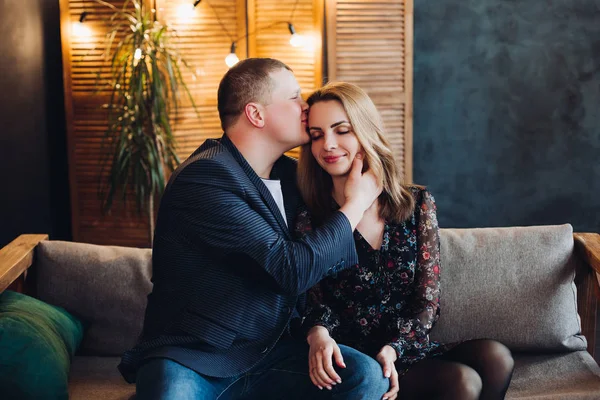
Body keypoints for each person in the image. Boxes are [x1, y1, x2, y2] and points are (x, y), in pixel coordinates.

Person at [118, 59, 390, 400]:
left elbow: (331, 258)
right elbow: (290, 269)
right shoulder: (204, 178)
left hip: (272, 352)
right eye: (294, 97)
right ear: (256, 114)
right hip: (197, 358)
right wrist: (355, 203)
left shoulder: (293, 177)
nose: (305, 106)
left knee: (365, 377)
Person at [296, 82, 515, 400]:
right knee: (462, 382)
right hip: (354, 359)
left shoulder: (416, 203)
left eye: (341, 130)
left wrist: (396, 347)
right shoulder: (311, 216)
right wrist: (318, 333)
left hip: (404, 347)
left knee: (496, 357)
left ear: (365, 131)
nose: (327, 144)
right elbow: (313, 303)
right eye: (316, 135)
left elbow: (427, 300)